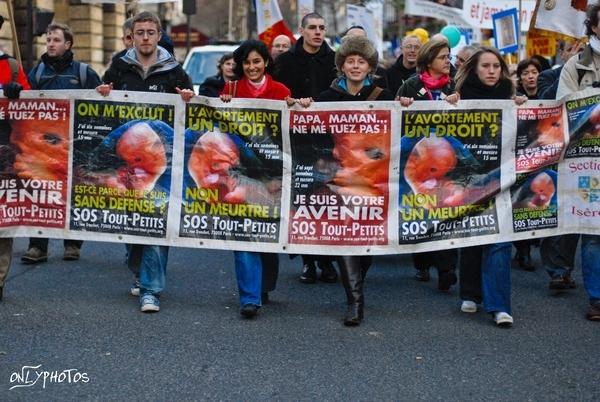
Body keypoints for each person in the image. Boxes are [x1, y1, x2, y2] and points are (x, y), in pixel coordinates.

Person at [96, 10, 194, 313]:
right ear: (132, 35)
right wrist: (103, 93)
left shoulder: (173, 70)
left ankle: (151, 290)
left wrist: (190, 98)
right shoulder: (119, 66)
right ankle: (139, 270)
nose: (146, 37)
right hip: (129, 158)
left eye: (151, 32)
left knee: (156, 221)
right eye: (140, 32)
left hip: (161, 161)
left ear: (159, 34)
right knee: (133, 224)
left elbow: (192, 108)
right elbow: (100, 100)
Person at [314, 35, 394, 326]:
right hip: (341, 179)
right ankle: (355, 302)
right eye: (351, 61)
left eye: (361, 61)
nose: (356, 66)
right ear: (342, 66)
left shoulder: (385, 98)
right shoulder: (326, 98)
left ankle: (357, 279)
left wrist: (407, 106)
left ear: (370, 67)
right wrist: (301, 107)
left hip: (374, 180)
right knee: (347, 238)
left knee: (366, 241)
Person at [219, 39, 296, 318]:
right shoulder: (231, 90)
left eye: (256, 61)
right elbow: (219, 128)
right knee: (244, 233)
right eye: (247, 62)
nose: (252, 67)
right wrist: (221, 103)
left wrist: (297, 106)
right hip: (241, 173)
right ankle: (249, 298)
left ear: (265, 62)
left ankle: (263, 285)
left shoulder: (281, 91)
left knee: (267, 234)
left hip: (274, 174)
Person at [454, 46, 527, 327]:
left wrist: (522, 105)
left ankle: (499, 305)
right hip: (471, 179)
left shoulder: (511, 97)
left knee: (500, 240)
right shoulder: (459, 96)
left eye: (496, 66)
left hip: (503, 178)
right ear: (474, 69)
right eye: (485, 66)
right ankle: (470, 292)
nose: (492, 71)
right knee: (472, 237)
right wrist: (449, 104)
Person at [22, 22, 101, 264]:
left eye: (56, 40)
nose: (51, 44)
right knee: (42, 194)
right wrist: (17, 91)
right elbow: (24, 103)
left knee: (74, 192)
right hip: (45, 146)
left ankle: (73, 243)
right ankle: (38, 245)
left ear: (68, 44)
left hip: (76, 144)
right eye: (48, 40)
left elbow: (101, 105)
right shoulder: (37, 73)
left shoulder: (83, 73)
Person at [273, 12, 338, 284]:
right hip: (297, 140)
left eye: (322, 28)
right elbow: (277, 94)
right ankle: (309, 261)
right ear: (301, 31)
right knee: (303, 199)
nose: (317, 32)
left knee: (328, 197)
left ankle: (327, 259)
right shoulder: (286, 61)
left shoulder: (335, 60)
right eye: (312, 27)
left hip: (329, 140)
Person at [547, 2, 600, 321]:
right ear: (592, 25)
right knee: (593, 229)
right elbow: (563, 106)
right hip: (588, 158)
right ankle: (596, 297)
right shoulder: (576, 65)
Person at [396, 38, 460, 291]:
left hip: (445, 160)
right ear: (430, 60)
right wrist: (400, 106)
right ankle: (422, 262)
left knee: (445, 211)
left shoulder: (456, 86)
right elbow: (396, 122)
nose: (448, 61)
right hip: (417, 160)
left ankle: (446, 268)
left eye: (449, 56)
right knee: (419, 212)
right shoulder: (410, 86)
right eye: (444, 57)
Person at [0, 14, 30, 302]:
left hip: (4, 153)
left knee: (3, 221)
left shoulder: (10, 66)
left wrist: (17, 93)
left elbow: (35, 108)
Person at [512, 57, 543, 271]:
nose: (530, 76)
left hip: (545, 157)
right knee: (522, 201)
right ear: (520, 78)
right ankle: (523, 250)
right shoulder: (513, 98)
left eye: (534, 72)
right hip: (520, 158)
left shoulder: (549, 95)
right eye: (525, 73)